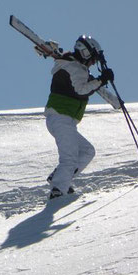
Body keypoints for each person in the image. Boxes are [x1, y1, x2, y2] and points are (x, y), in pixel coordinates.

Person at [44, 35, 114, 199]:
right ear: (86, 53)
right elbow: (80, 90)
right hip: (61, 117)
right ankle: (58, 191)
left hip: (63, 119)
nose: (92, 63)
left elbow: (82, 87)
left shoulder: (75, 66)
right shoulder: (73, 67)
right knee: (69, 158)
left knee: (87, 151)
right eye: (93, 59)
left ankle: (60, 179)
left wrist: (100, 80)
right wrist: (101, 80)